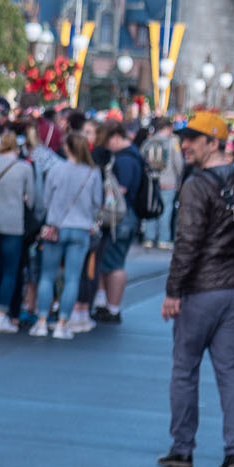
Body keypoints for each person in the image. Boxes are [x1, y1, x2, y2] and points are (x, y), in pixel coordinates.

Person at [161, 109, 234, 467]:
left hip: (202, 290)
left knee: (185, 369)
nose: (185, 145)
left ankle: (182, 448)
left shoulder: (197, 185)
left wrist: (173, 290)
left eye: (192, 139)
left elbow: (187, 241)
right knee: (231, 371)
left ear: (213, 142)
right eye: (183, 138)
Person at [33, 128, 103, 338]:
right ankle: (63, 323)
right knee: (72, 278)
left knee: (47, 276)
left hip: (55, 227)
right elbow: (96, 203)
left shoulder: (56, 169)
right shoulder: (93, 173)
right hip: (81, 228)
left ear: (66, 148)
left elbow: (45, 200)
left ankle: (42, 320)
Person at [0, 127, 36, 333]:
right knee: (10, 271)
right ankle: (2, 315)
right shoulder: (24, 168)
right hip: (14, 224)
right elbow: (31, 198)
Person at [101, 121, 149, 323]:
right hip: (129, 216)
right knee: (113, 261)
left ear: (115, 137)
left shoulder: (125, 160)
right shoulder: (134, 155)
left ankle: (112, 308)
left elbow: (121, 190)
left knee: (113, 262)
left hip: (122, 217)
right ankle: (110, 307)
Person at [142, 117, 180, 248]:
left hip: (151, 181)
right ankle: (163, 239)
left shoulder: (148, 142)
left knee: (150, 207)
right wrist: (180, 178)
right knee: (166, 210)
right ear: (168, 128)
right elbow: (178, 162)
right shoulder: (172, 142)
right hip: (168, 181)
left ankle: (148, 238)